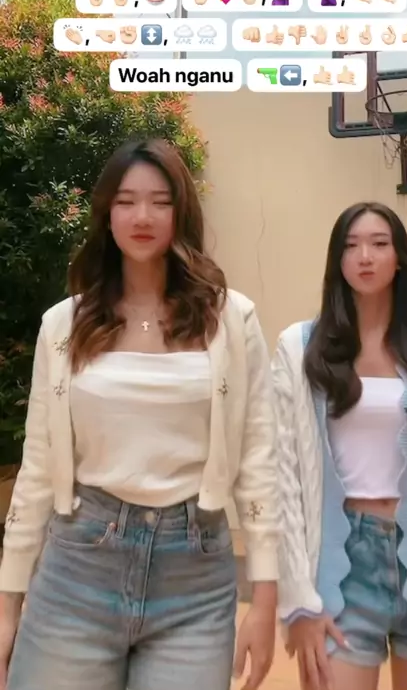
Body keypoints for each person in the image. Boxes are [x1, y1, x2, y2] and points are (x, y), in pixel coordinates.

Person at [0, 138, 279, 690]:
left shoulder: (231, 320)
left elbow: (258, 458)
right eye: (126, 201)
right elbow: (38, 468)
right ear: (107, 215)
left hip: (194, 580)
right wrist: (8, 602)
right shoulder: (63, 325)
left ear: (182, 212)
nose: (143, 216)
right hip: (78, 568)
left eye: (160, 201)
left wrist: (266, 596)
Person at [272, 201, 407, 690]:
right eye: (351, 246)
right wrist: (299, 599)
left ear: (401, 259)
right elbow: (282, 476)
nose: (364, 256)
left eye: (379, 244)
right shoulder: (300, 348)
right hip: (343, 566)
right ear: (337, 261)